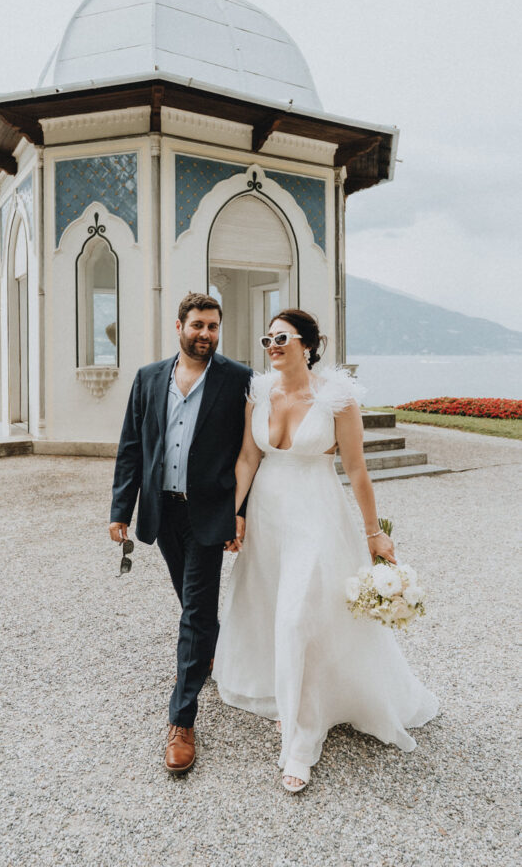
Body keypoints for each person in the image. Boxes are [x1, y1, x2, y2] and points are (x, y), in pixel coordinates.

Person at [212, 309, 439, 793]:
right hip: (269, 517)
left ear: (309, 345)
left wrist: (375, 533)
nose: (272, 345)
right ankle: (286, 697)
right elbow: (249, 457)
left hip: (315, 514)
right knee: (269, 606)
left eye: (281, 337)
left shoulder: (337, 400)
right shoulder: (258, 393)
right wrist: (234, 513)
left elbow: (357, 470)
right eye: (266, 338)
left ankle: (300, 740)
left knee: (299, 616)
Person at [109, 293, 252, 774]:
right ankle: (206, 652)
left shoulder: (237, 380)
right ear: (179, 326)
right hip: (161, 512)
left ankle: (182, 719)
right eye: (197, 325)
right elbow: (132, 446)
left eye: (213, 326)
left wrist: (241, 511)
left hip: (209, 514)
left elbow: (249, 455)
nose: (205, 334)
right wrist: (120, 508)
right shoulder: (149, 378)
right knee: (191, 604)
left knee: (195, 609)